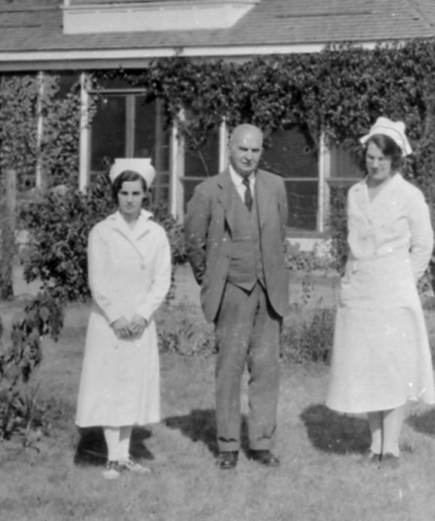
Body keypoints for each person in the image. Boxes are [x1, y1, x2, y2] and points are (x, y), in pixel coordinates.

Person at [325, 118, 435, 467]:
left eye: (382, 159)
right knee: (367, 367)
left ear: (395, 160)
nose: (375, 164)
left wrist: (404, 278)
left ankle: (392, 448)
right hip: (360, 291)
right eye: (370, 157)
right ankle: (375, 445)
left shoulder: (409, 196)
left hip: (394, 291)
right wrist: (348, 279)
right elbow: (353, 245)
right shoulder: (354, 194)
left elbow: (423, 245)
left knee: (393, 367)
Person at [183, 124, 290, 470]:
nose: (249, 156)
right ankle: (228, 445)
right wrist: (216, 281)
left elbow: (279, 234)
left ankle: (261, 443)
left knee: (266, 369)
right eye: (243, 149)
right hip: (231, 292)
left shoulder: (275, 186)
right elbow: (194, 245)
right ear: (230, 147)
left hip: (268, 292)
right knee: (228, 369)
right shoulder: (208, 191)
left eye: (255, 150)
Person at [75, 158, 173, 479]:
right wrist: (116, 317)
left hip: (140, 321)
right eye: (123, 193)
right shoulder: (102, 232)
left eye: (136, 193)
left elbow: (162, 279)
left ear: (145, 194)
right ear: (115, 195)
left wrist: (142, 316)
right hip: (109, 321)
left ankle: (124, 454)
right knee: (109, 384)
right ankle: (112, 457)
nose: (129, 200)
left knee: (132, 384)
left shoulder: (156, 233)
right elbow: (97, 280)